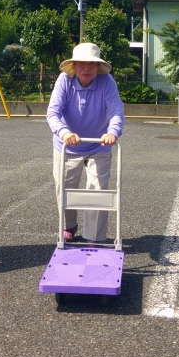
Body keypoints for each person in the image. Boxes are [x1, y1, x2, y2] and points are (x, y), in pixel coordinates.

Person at [47, 42, 124, 244]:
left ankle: (94, 236)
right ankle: (69, 225)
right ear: (74, 65)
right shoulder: (65, 80)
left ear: (98, 66)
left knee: (98, 189)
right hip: (67, 144)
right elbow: (53, 112)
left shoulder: (107, 81)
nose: (87, 68)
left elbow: (116, 110)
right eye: (82, 63)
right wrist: (64, 133)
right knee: (65, 188)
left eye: (92, 64)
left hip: (99, 144)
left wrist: (113, 132)